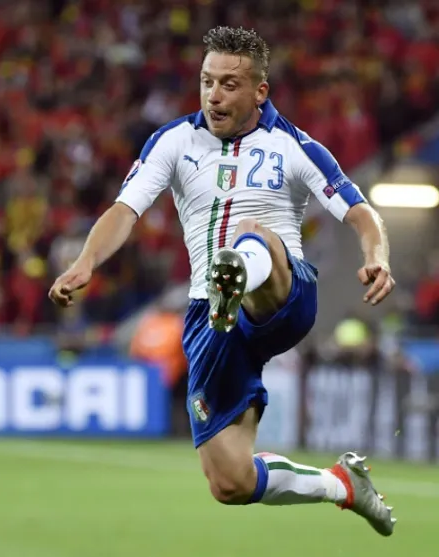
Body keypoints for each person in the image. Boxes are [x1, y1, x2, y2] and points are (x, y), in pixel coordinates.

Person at [48, 26, 397, 536]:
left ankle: (233, 273)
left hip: (283, 294)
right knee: (229, 481)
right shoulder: (172, 141)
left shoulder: (294, 146)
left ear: (260, 91)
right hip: (209, 321)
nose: (214, 94)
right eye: (207, 81)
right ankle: (341, 485)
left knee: (252, 233)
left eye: (229, 84)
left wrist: (377, 255)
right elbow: (125, 209)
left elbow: (361, 212)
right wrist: (86, 261)